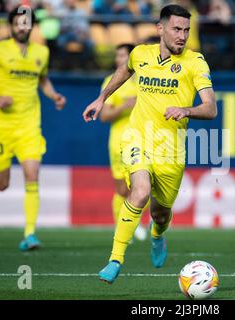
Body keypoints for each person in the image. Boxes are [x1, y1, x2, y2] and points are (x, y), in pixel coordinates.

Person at [82, 4, 217, 284]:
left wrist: (187, 110)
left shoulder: (195, 62)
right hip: (137, 138)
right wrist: (102, 98)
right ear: (161, 29)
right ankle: (115, 259)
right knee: (140, 191)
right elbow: (125, 68)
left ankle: (158, 236)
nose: (182, 35)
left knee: (160, 212)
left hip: (171, 149)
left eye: (186, 30)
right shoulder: (141, 54)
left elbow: (211, 108)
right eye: (177, 29)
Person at [0, 5, 67, 251]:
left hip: (28, 124)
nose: (23, 27)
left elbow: (42, 78)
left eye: (27, 23)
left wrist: (53, 95)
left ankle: (30, 234)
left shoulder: (41, 52)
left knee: (32, 175)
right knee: (1, 185)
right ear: (11, 26)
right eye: (18, 23)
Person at [99, 43, 147, 242]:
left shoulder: (147, 80)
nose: (119, 59)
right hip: (119, 142)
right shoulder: (111, 82)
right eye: (117, 55)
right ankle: (122, 227)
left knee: (143, 187)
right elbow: (104, 116)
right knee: (122, 190)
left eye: (123, 56)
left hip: (144, 141)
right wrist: (124, 107)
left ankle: (133, 224)